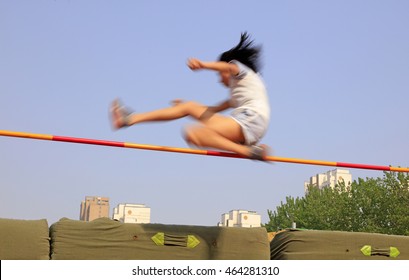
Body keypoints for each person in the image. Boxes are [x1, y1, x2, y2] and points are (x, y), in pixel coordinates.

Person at [110, 32, 270, 160]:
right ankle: (129, 119)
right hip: (251, 123)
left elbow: (228, 68)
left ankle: (246, 151)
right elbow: (212, 110)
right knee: (189, 107)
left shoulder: (240, 71)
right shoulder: (242, 91)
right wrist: (185, 108)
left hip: (251, 119)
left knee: (193, 133)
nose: (219, 79)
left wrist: (204, 65)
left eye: (219, 75)